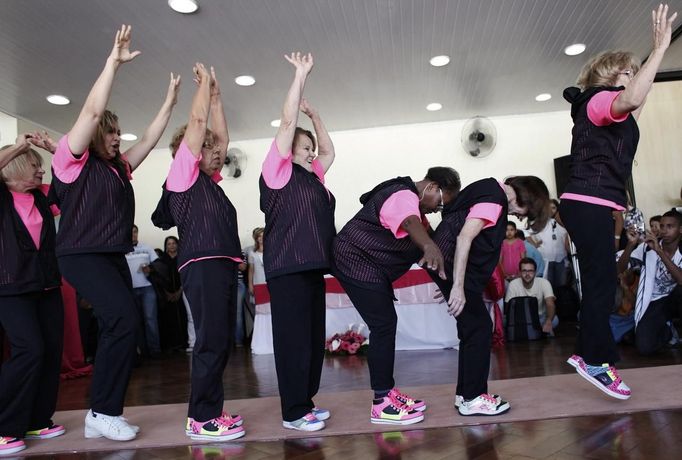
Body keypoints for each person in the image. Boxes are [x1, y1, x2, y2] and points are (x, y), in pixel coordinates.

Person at [48, 25, 180, 440]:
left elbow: (148, 139)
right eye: (110, 132)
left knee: (122, 325)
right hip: (79, 253)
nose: (116, 137)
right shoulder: (71, 163)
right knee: (123, 319)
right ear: (93, 137)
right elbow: (89, 114)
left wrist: (169, 102)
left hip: (110, 253)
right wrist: (113, 64)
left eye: (117, 131)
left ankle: (100, 413)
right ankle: (103, 411)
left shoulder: (118, 167)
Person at [559, 4, 676, 400]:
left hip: (594, 203)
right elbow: (630, 97)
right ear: (611, 76)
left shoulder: (618, 110)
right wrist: (659, 48)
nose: (633, 77)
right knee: (601, 281)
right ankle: (594, 359)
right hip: (587, 200)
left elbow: (637, 99)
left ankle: (587, 355)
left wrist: (653, 60)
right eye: (628, 71)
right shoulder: (595, 101)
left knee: (600, 280)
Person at [152, 63, 244, 441]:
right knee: (209, 340)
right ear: (187, 152)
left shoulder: (209, 182)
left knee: (219, 339)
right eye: (205, 147)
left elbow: (219, 137)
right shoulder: (182, 174)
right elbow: (196, 121)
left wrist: (219, 98)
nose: (216, 152)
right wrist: (205, 87)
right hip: (202, 265)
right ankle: (201, 418)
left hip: (220, 265)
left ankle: (210, 411)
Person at [332, 166, 461, 425]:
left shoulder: (420, 219)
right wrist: (428, 245)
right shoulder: (402, 195)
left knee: (385, 325)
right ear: (432, 187)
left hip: (368, 268)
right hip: (353, 259)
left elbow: (436, 262)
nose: (438, 209)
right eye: (441, 201)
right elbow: (410, 223)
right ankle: (382, 403)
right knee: (383, 325)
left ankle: (388, 393)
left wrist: (454, 290)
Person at [259, 52, 336, 432]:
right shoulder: (277, 173)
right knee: (292, 341)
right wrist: (300, 76)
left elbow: (329, 151)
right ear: (288, 151)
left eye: (309, 148)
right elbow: (288, 121)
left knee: (310, 339)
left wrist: (317, 118)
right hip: (286, 267)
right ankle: (292, 412)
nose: (310, 152)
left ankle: (304, 403)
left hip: (311, 266)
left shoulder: (312, 177)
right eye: (303, 147)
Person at [428, 176, 550, 416]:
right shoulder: (495, 199)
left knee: (471, 328)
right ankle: (473, 398)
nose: (521, 217)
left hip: (449, 265)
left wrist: (453, 283)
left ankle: (465, 395)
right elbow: (465, 237)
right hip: (453, 264)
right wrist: (456, 286)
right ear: (526, 197)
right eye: (526, 211)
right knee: (480, 328)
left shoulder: (488, 188)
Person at [0, 137, 65, 456]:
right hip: (11, 288)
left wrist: (59, 152)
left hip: (47, 285)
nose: (41, 171)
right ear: (13, 166)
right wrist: (17, 147)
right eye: (34, 164)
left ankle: (37, 419)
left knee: (51, 351)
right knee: (30, 350)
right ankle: (4, 426)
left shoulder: (40, 197)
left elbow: (68, 184)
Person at [617, 211, 682, 354]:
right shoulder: (647, 247)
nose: (664, 230)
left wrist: (659, 252)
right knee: (644, 347)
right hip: (654, 301)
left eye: (670, 226)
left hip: (675, 297)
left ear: (680, 229)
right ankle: (668, 331)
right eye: (662, 226)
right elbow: (620, 269)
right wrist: (630, 244)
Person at [125, 224, 160, 357]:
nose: (133, 234)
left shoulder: (146, 248)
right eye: (130, 232)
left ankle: (154, 350)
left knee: (151, 319)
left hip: (147, 288)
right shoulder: (121, 250)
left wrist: (150, 269)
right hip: (130, 290)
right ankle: (140, 351)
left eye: (135, 232)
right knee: (135, 321)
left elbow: (158, 265)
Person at [151, 236, 188, 351]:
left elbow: (186, 276)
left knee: (183, 317)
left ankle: (183, 343)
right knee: (167, 319)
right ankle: (170, 345)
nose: (171, 246)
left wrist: (179, 291)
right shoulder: (161, 261)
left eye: (173, 243)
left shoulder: (182, 258)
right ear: (166, 246)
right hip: (166, 295)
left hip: (181, 292)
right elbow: (157, 278)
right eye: (169, 244)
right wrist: (167, 293)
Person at [505, 258, 559, 335]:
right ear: (520, 272)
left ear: (535, 272)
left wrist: (549, 321)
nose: (527, 274)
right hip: (520, 319)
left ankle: (534, 329)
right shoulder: (513, 284)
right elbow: (508, 309)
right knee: (502, 321)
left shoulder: (544, 283)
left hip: (539, 317)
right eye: (524, 271)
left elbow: (550, 304)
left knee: (554, 320)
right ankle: (536, 330)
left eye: (530, 271)